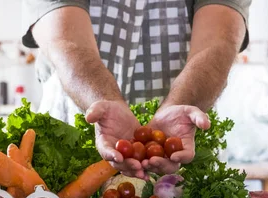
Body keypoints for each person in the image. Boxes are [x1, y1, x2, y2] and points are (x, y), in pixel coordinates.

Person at [22, 0, 251, 179]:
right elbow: (64, 37)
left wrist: (181, 102)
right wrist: (104, 101)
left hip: (184, 135)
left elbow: (221, 37)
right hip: (74, 124)